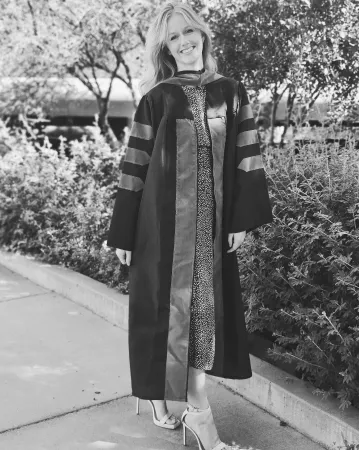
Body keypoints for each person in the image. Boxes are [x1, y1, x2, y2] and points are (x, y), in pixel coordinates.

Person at [107, 2, 273, 449]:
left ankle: (186, 407)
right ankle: (187, 410)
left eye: (189, 32)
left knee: (200, 314)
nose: (184, 43)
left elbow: (246, 159)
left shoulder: (231, 93)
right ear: (165, 48)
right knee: (162, 312)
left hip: (212, 228)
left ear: (202, 34)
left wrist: (241, 220)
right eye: (173, 38)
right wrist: (123, 232)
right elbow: (134, 168)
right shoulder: (157, 98)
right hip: (160, 229)